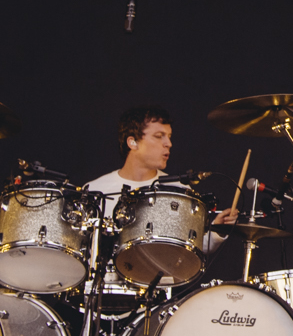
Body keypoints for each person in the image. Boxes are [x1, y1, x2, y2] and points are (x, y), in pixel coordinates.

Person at [86, 105, 237, 268]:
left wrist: (216, 232)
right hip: (105, 281)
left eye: (169, 137)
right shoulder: (95, 191)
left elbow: (191, 247)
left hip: (161, 280)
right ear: (133, 142)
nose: (168, 143)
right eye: (159, 136)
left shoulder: (179, 191)